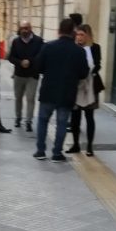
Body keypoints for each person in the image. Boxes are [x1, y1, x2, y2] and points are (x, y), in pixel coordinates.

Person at [33, 17, 89, 162]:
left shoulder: (48, 47)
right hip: (67, 93)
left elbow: (38, 67)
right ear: (73, 32)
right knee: (62, 123)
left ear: (59, 31)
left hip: (48, 91)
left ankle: (40, 151)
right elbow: (84, 73)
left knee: (43, 120)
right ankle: (57, 153)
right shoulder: (79, 51)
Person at [67, 24, 102, 157]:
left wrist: (90, 71)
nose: (79, 37)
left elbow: (98, 64)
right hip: (76, 86)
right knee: (75, 117)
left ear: (88, 35)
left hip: (91, 86)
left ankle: (89, 146)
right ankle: (75, 144)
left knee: (89, 117)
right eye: (77, 34)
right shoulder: (73, 48)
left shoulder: (95, 47)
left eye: (82, 34)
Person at [8, 21, 43, 132]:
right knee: (18, 97)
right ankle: (18, 117)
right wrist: (20, 62)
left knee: (30, 98)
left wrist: (30, 62)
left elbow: (41, 56)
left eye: (26, 28)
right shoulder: (16, 41)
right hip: (19, 75)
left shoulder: (38, 41)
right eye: (22, 28)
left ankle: (29, 121)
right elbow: (11, 57)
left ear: (30, 28)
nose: (24, 30)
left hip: (32, 75)